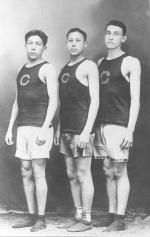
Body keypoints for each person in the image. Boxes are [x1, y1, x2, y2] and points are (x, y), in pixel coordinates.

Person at [5, 30, 57, 232]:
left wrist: (45, 129)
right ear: (25, 45)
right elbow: (18, 101)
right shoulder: (21, 69)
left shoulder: (48, 68)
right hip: (23, 127)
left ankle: (41, 218)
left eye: (37, 44)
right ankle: (30, 214)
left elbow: (54, 101)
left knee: (37, 171)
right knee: (25, 170)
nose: (33, 47)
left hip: (40, 127)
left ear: (44, 47)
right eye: (30, 43)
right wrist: (10, 128)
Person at [94, 20, 141, 232]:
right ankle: (112, 214)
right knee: (107, 170)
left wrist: (130, 130)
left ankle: (120, 219)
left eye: (116, 34)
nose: (111, 37)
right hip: (101, 125)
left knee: (120, 170)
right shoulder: (99, 62)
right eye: (108, 33)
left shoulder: (130, 62)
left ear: (123, 38)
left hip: (120, 124)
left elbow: (135, 100)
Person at [54, 28, 99, 232]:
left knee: (83, 174)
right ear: (66, 43)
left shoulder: (89, 65)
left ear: (85, 43)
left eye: (77, 40)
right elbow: (64, 103)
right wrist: (58, 128)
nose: (73, 43)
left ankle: (87, 220)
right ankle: (78, 214)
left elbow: (95, 101)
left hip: (82, 130)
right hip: (66, 130)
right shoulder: (64, 69)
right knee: (71, 174)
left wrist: (85, 131)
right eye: (70, 40)